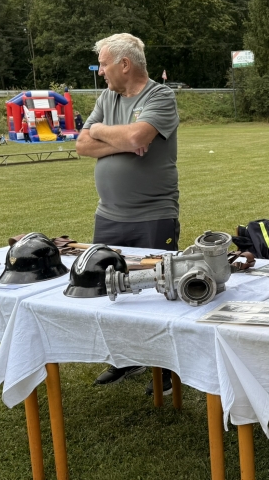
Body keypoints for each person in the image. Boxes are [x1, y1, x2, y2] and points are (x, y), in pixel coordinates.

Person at [77, 33, 180, 395]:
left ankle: (165, 369)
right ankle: (125, 358)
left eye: (104, 64)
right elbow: (82, 144)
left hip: (153, 214)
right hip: (108, 215)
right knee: (110, 288)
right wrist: (120, 139)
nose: (100, 71)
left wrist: (103, 132)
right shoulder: (107, 97)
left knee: (159, 290)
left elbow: (137, 137)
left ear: (124, 64)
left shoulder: (160, 96)